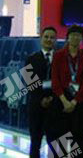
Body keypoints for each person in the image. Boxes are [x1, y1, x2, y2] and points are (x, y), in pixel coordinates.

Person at [50, 25, 83, 156]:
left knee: (78, 140)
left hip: (78, 103)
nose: (75, 38)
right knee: (61, 140)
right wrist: (65, 101)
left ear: (82, 39)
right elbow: (55, 81)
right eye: (73, 35)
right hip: (61, 101)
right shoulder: (58, 55)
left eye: (78, 35)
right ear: (68, 37)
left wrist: (74, 102)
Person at [26, 26, 57, 158]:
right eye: (46, 37)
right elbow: (29, 83)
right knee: (35, 141)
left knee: (56, 142)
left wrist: (52, 98)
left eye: (52, 37)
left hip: (55, 106)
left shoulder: (61, 59)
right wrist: (41, 99)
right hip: (36, 106)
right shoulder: (31, 59)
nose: (49, 40)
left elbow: (64, 81)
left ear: (55, 40)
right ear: (41, 39)